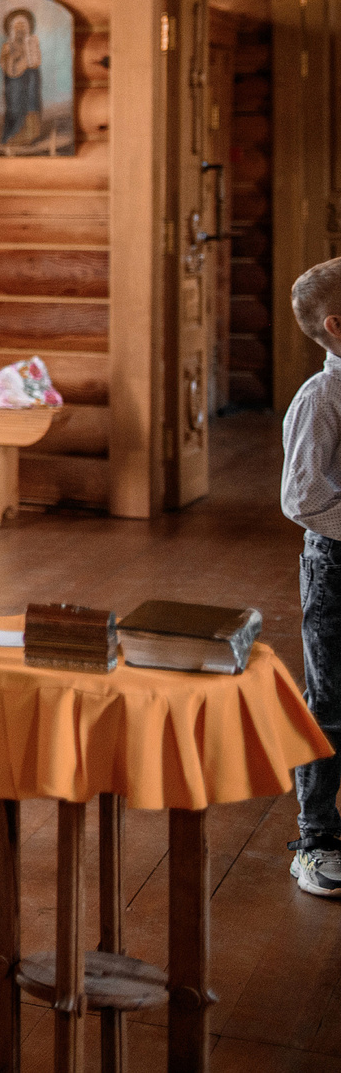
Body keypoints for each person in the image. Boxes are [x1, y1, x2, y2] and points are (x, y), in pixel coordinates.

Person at [284, 257, 341, 898]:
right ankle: (316, 836)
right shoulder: (322, 397)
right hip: (335, 568)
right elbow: (303, 498)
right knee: (330, 704)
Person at [0, 9, 43, 149]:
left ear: (28, 28)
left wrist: (31, 55)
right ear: (12, 29)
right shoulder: (7, 46)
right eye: (17, 26)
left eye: (23, 26)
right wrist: (16, 57)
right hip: (15, 83)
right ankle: (13, 137)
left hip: (30, 79)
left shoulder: (31, 43)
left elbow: (36, 62)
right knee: (15, 107)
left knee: (31, 105)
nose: (20, 29)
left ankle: (31, 136)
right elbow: (8, 67)